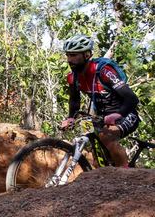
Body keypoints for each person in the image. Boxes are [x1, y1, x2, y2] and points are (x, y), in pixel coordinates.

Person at [60, 34, 140, 167]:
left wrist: (117, 114)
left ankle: (126, 178)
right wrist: (70, 118)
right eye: (68, 55)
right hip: (103, 117)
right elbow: (74, 100)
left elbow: (132, 98)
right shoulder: (73, 77)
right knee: (98, 155)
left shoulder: (103, 71)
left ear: (86, 55)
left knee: (106, 136)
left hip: (126, 114)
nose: (70, 59)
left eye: (74, 55)